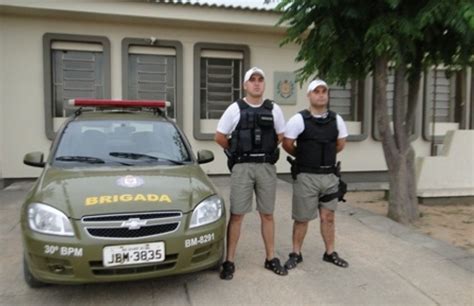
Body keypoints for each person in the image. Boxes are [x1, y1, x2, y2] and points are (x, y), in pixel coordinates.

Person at [215, 67, 287, 280]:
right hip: (242, 167)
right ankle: (229, 261)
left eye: (260, 79)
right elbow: (219, 137)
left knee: (267, 214)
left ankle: (271, 257)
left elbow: (281, 135)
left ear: (264, 84)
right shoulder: (235, 109)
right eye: (252, 80)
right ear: (245, 85)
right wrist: (236, 150)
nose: (256, 83)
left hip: (265, 166)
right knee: (237, 214)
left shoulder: (274, 109)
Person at [282, 79, 349, 270]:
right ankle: (296, 253)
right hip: (306, 177)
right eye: (316, 91)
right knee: (302, 218)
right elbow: (287, 144)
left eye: (324, 91)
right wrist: (303, 156)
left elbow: (340, 144)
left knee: (328, 217)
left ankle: (330, 253)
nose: (320, 94)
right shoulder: (298, 119)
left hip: (329, 176)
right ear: (309, 95)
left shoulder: (336, 120)